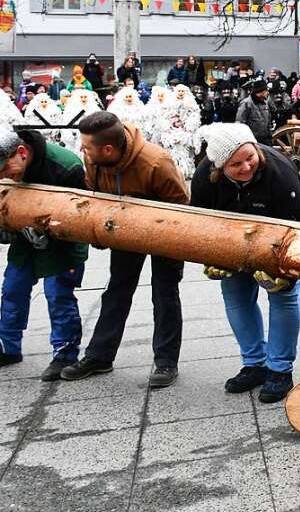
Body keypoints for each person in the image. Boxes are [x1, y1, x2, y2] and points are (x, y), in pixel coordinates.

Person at [191, 123, 300, 403]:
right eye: (235, 164)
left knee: (283, 297)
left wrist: (283, 268)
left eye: (250, 157)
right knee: (236, 297)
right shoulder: (204, 176)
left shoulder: (280, 171)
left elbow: (299, 225)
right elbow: (200, 222)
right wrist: (211, 255)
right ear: (219, 166)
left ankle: (280, 370)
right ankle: (254, 364)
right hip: (230, 237)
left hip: (283, 232)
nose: (247, 166)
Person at [60, 112, 189, 388]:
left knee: (164, 293)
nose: (82, 150)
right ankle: (100, 356)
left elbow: (182, 207)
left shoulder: (156, 162)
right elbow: (94, 199)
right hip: (123, 232)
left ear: (108, 149)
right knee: (117, 290)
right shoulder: (93, 160)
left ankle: (166, 361)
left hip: (165, 234)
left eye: (87, 147)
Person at [0, 129, 89, 380]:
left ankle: (65, 352)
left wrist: (52, 233)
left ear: (21, 153)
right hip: (24, 237)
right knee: (13, 288)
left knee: (58, 294)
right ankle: (8, 345)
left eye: (6, 169)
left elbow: (81, 214)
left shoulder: (65, 167)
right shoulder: (7, 169)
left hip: (64, 241)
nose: (4, 176)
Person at [236, 79, 272, 145]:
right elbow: (240, 123)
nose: (268, 93)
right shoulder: (246, 103)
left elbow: (268, 122)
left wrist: (270, 136)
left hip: (265, 140)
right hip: (252, 141)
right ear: (260, 92)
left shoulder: (265, 103)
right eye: (266, 91)